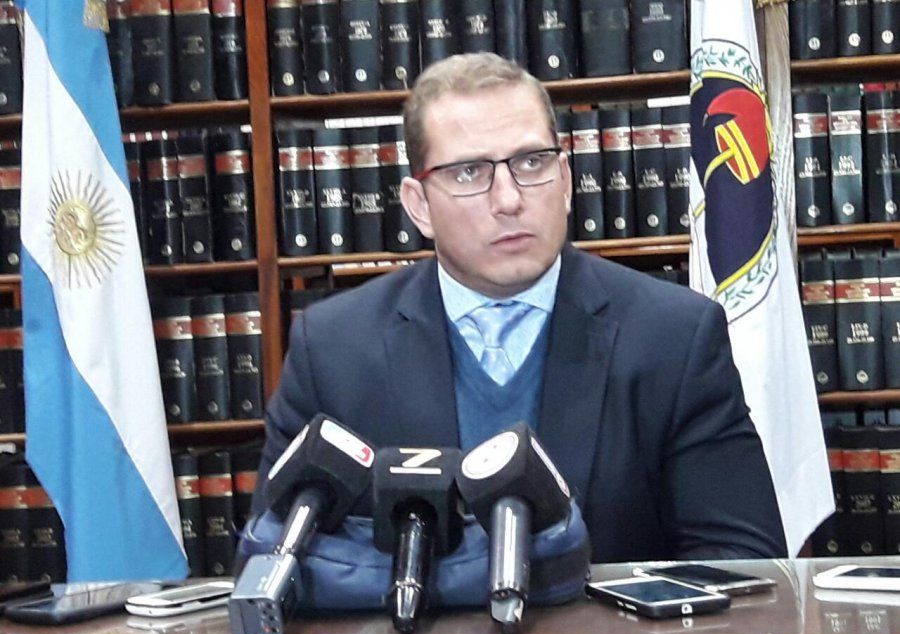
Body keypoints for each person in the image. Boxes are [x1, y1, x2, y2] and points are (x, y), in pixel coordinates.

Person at [253, 52, 787, 562]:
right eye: (469, 172)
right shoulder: (333, 349)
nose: (509, 199)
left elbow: (743, 563)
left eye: (532, 162)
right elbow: (274, 562)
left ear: (567, 181)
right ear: (419, 206)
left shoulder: (674, 336)